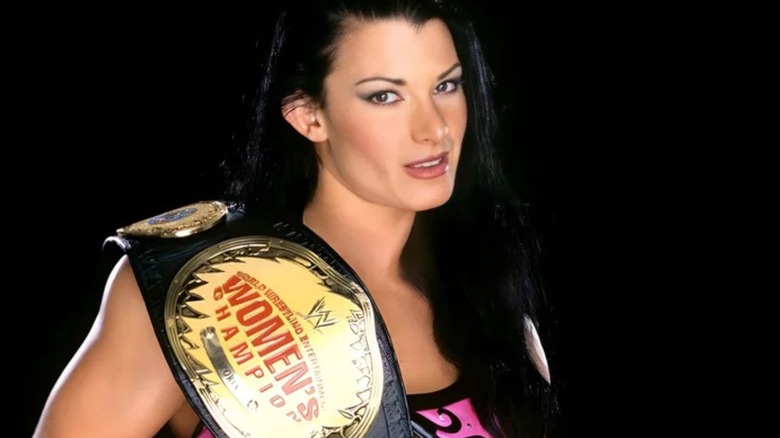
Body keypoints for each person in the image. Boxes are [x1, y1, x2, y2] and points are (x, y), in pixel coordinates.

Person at [33, 1, 557, 437]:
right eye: (384, 96)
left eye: (446, 86)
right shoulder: (200, 290)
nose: (434, 129)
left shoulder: (493, 306)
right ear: (309, 116)